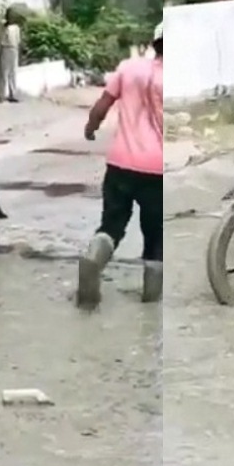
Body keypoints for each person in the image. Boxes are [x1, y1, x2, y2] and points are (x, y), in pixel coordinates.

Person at [76, 22, 163, 308]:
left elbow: (102, 105)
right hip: (157, 171)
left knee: (111, 225)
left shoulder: (128, 68)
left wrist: (90, 128)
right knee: (155, 239)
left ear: (155, 42)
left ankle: (93, 259)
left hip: (120, 164)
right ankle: (150, 308)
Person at [0, 10, 21, 103]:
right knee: (4, 72)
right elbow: (1, 40)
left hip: (12, 49)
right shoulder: (5, 27)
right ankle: (1, 95)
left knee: (11, 72)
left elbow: (17, 40)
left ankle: (11, 94)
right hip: (7, 48)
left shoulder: (14, 28)